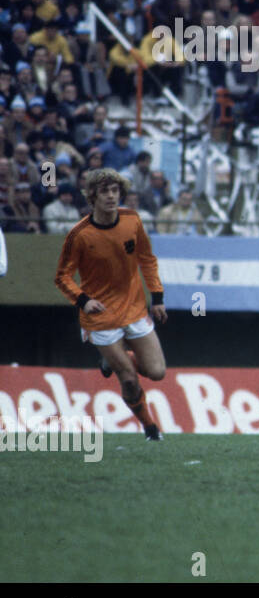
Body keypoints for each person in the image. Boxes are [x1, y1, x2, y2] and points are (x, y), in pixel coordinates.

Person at [53, 169, 168, 441]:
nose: (111, 196)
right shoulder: (79, 234)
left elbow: (148, 259)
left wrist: (158, 297)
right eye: (104, 191)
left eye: (115, 191)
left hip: (134, 308)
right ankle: (150, 428)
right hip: (100, 317)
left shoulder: (132, 220)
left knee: (157, 372)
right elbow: (62, 276)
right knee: (128, 379)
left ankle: (113, 358)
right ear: (92, 197)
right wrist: (84, 300)